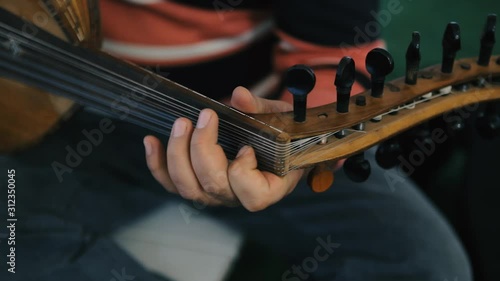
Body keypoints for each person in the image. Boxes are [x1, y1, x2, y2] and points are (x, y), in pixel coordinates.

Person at [1, 0, 471, 280]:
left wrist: (294, 153)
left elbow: (336, 58)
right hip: (57, 116)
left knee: (428, 264)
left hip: (259, 122)